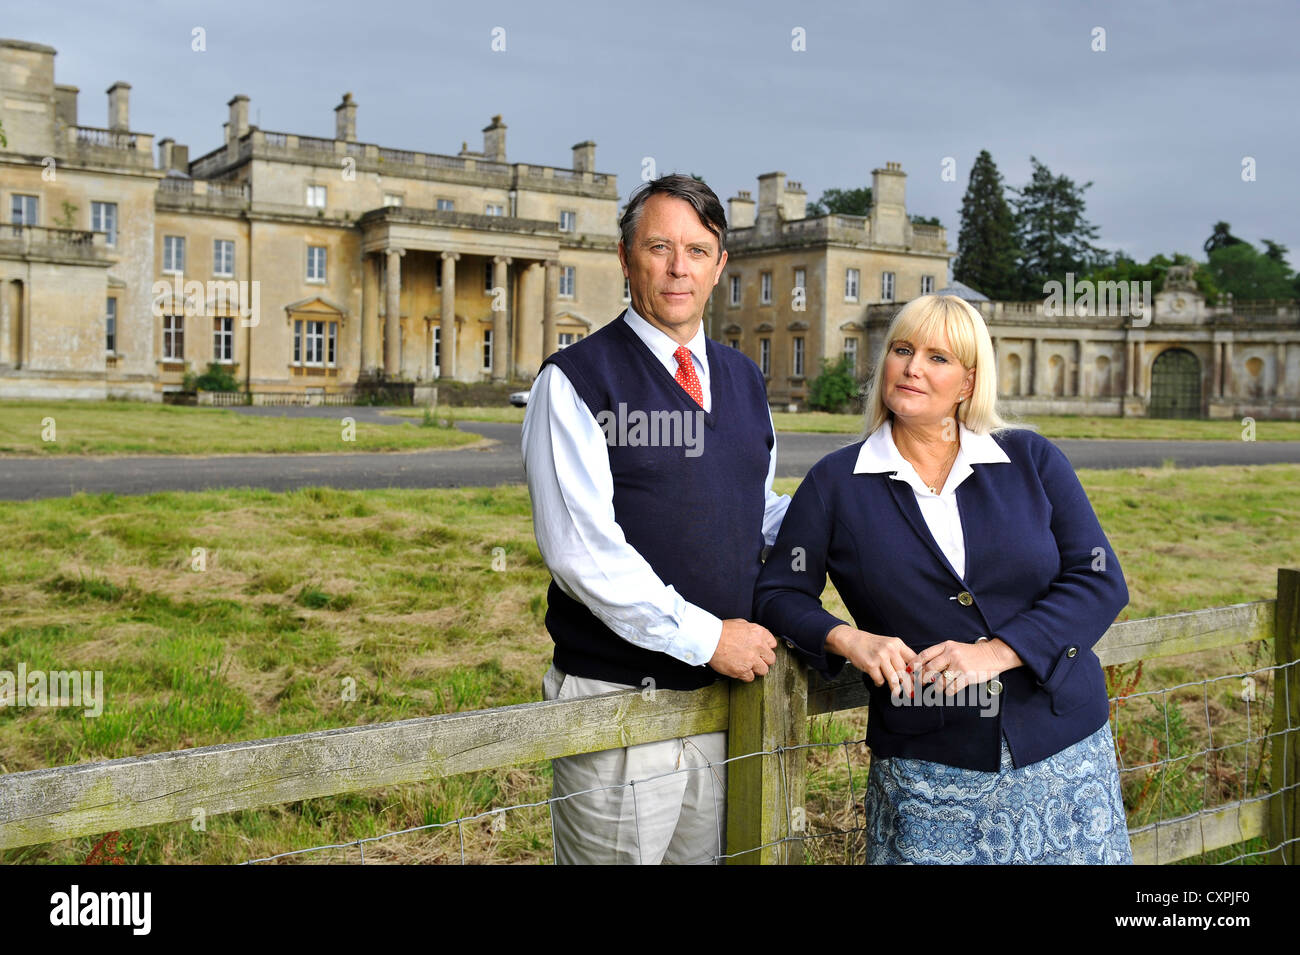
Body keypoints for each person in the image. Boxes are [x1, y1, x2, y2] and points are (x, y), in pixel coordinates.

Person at [754, 293, 1133, 864]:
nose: (912, 367)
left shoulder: (1029, 459)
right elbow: (780, 592)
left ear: (968, 381)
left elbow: (1099, 579)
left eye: (937, 357)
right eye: (902, 350)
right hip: (929, 763)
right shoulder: (836, 483)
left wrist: (999, 652)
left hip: (1065, 747)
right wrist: (848, 639)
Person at [522, 174, 789, 865]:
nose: (679, 268)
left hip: (723, 699)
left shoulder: (742, 379)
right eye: (660, 247)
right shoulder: (577, 380)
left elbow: (755, 510)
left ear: (721, 265)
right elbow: (583, 554)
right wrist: (708, 636)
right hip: (617, 708)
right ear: (624, 256)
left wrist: (858, 519)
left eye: (698, 251)